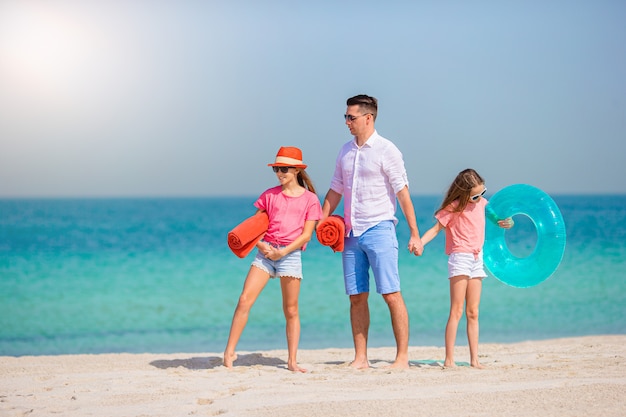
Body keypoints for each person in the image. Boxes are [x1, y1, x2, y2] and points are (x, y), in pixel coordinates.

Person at [320, 94, 423, 369]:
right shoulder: (345, 151)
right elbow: (335, 189)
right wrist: (320, 220)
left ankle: (402, 357)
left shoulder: (387, 150)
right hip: (351, 233)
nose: (347, 122)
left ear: (369, 118)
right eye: (345, 117)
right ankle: (361, 358)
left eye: (351, 117)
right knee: (356, 296)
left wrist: (414, 232)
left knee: (391, 293)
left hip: (380, 227)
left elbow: (402, 193)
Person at [224, 146, 322, 373]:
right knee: (244, 300)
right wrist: (261, 245)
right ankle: (229, 353)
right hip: (265, 254)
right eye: (277, 168)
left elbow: (307, 235)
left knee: (291, 310)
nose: (279, 173)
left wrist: (283, 252)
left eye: (284, 169)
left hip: (290, 256)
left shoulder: (310, 200)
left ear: (297, 170)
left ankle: (292, 361)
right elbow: (253, 228)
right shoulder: (269, 195)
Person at [420, 168, 514, 368]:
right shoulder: (453, 208)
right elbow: (436, 229)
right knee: (457, 310)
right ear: (464, 193)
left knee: (473, 312)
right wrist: (420, 243)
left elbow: (499, 220)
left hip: (476, 258)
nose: (480, 197)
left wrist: (508, 222)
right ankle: (449, 360)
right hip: (460, 257)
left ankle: (475, 360)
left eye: (483, 192)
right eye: (475, 195)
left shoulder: (483, 204)